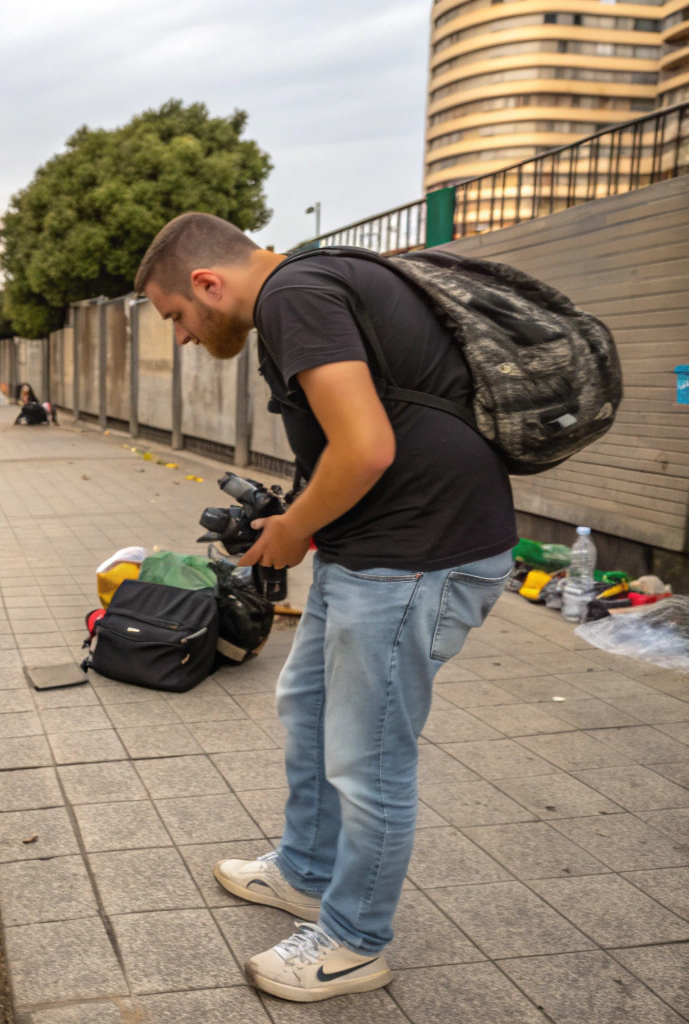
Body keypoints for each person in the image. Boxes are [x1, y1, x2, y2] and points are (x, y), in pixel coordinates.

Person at [134, 213, 515, 1003]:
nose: (181, 336)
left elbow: (366, 446)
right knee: (307, 708)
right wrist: (301, 522)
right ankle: (305, 874)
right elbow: (358, 435)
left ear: (206, 283)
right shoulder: (306, 288)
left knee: (368, 758)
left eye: (175, 316)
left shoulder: (294, 296)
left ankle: (353, 943)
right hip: (371, 550)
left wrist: (291, 531)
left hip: (416, 555)